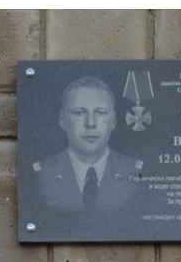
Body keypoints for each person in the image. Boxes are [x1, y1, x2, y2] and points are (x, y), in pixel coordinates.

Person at [30, 76, 147, 215]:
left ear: (114, 121)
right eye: (79, 113)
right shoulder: (41, 174)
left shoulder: (136, 171)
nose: (90, 123)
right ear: (62, 120)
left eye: (100, 113)